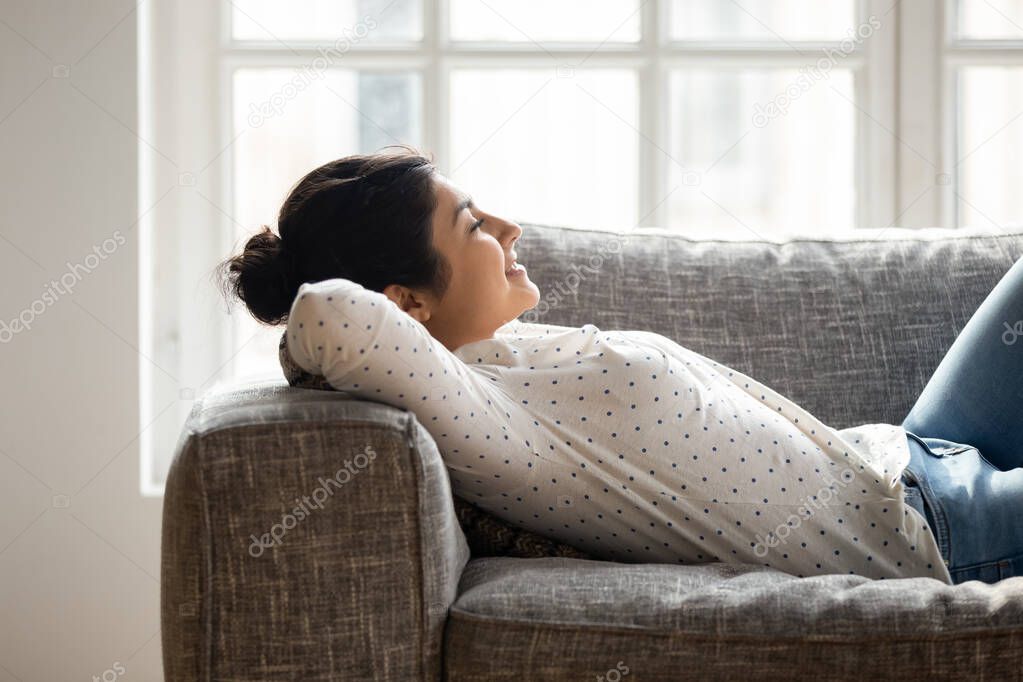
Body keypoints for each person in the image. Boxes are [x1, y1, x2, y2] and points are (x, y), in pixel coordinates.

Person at [217, 144, 1023, 584]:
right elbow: (329, 314)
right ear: (407, 305)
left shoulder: (501, 360)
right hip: (946, 533)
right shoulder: (485, 423)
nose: (509, 227)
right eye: (469, 224)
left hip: (913, 450)